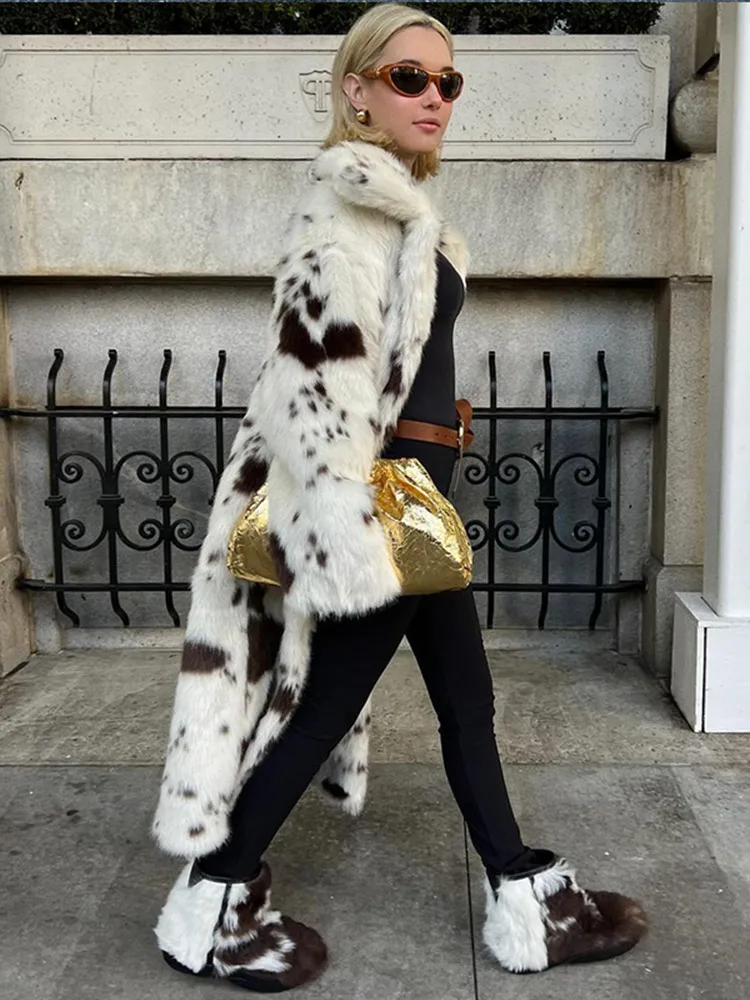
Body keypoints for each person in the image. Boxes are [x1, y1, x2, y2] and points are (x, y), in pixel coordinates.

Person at [152, 4, 647, 991]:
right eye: (408, 77)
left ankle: (522, 894)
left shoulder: (403, 212)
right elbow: (315, 382)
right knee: (328, 706)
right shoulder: (344, 212)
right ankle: (207, 905)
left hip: (415, 500)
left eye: (447, 82)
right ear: (358, 89)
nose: (433, 97)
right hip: (378, 508)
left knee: (467, 697)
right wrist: (350, 528)